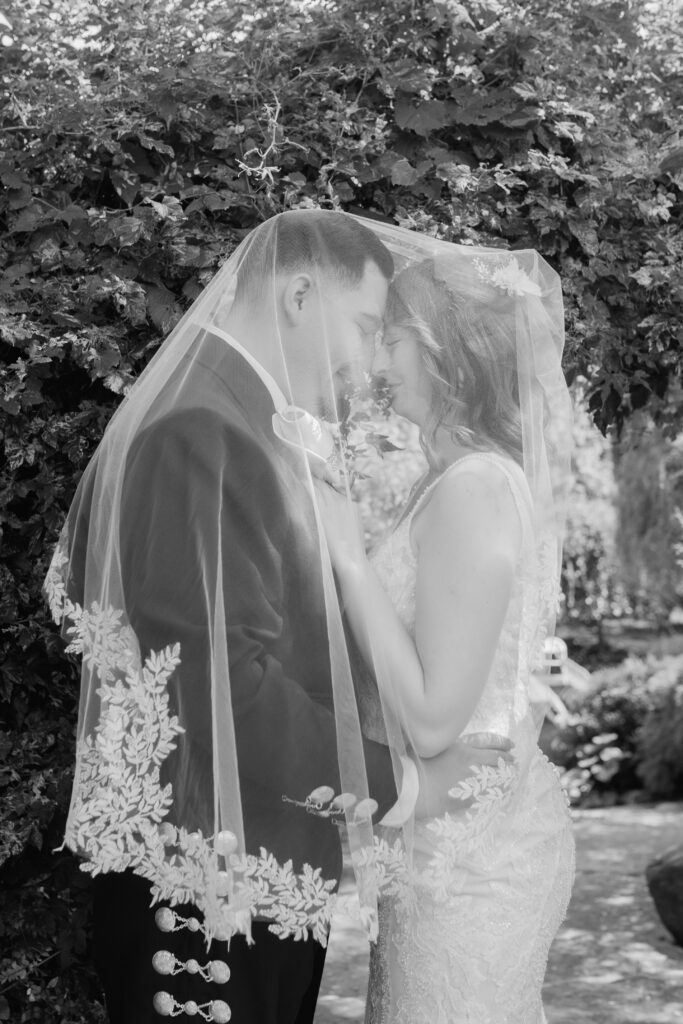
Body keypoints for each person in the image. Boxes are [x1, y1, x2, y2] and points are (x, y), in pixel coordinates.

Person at [44, 210, 512, 1024]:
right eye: (365, 327)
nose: (367, 363)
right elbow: (229, 689)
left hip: (247, 874)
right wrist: (403, 783)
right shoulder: (203, 429)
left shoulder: (239, 419)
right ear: (299, 292)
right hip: (202, 901)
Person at [315, 251, 576, 1023]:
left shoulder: (475, 488)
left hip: (468, 862)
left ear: (444, 349)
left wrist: (346, 555)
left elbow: (433, 717)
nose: (377, 361)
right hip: (438, 841)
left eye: (391, 338)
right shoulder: (457, 478)